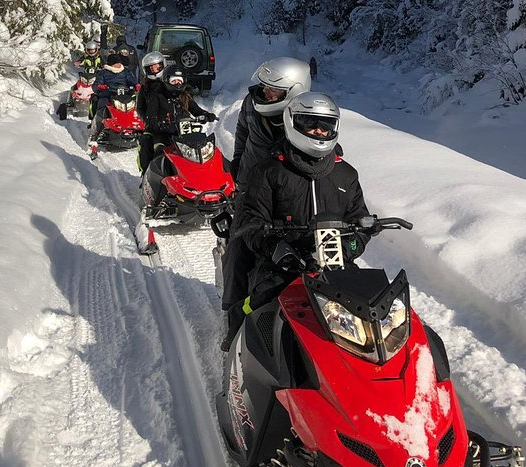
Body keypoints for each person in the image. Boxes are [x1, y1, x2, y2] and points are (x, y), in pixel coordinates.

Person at [221, 92, 370, 351]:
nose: (318, 131)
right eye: (309, 122)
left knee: (370, 309)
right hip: (281, 264)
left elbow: (359, 220)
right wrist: (276, 248)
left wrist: (351, 247)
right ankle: (235, 335)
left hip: (334, 265)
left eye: (326, 125)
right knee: (258, 302)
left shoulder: (345, 174)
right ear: (292, 122)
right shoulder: (268, 171)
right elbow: (251, 220)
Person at [220, 57, 313, 321]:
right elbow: (242, 132)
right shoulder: (252, 103)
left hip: (290, 192)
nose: (265, 92)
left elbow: (320, 138)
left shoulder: (302, 115)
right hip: (252, 189)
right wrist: (238, 164)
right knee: (239, 251)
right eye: (264, 87)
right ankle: (234, 315)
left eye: (273, 89)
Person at [141, 65, 217, 204]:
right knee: (159, 157)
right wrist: (160, 124)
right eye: (174, 80)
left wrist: (207, 115)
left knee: (201, 156)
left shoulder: (185, 96)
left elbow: (196, 110)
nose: (177, 83)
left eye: (180, 80)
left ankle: (206, 186)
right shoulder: (157, 96)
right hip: (163, 135)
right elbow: (150, 118)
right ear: (166, 80)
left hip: (185, 136)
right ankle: (156, 191)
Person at [88, 53, 138, 156]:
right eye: (116, 64)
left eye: (119, 63)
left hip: (124, 96)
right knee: (102, 106)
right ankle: (95, 133)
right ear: (111, 64)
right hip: (108, 96)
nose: (119, 65)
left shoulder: (125, 72)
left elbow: (133, 81)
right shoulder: (103, 73)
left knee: (135, 106)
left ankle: (137, 127)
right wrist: (101, 87)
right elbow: (95, 86)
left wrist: (136, 85)